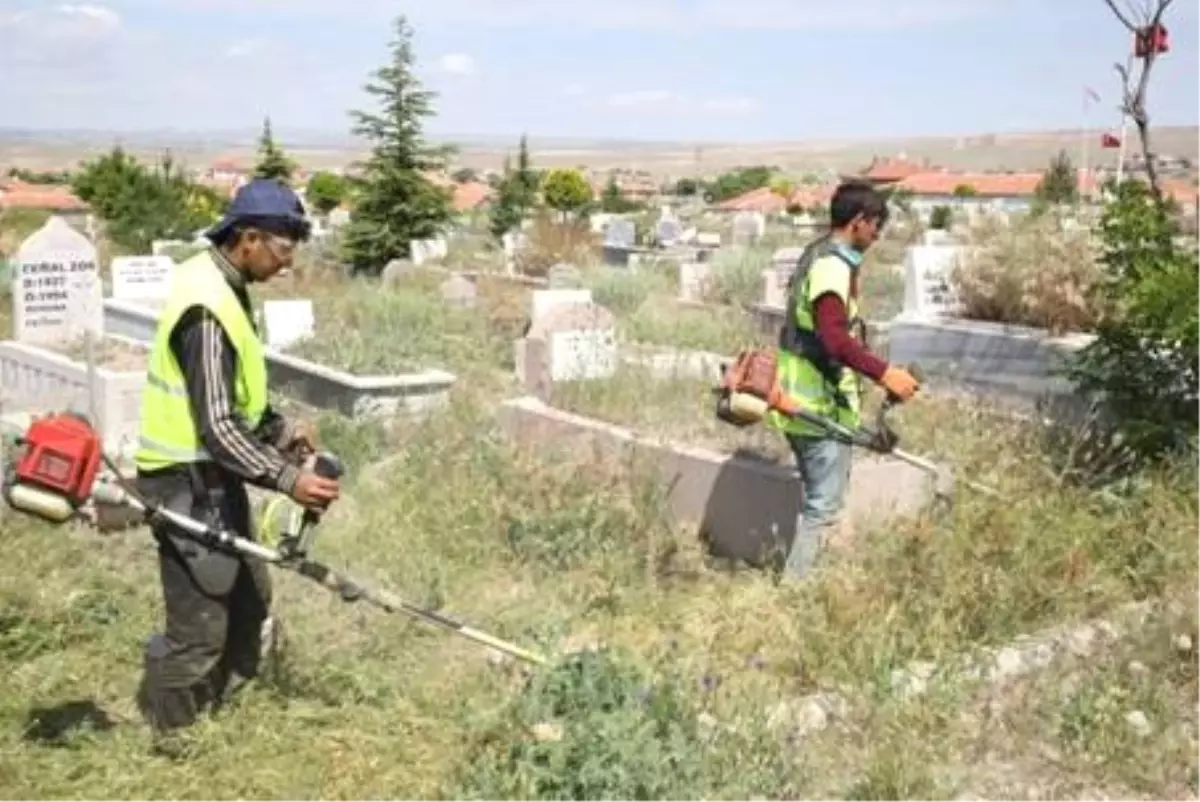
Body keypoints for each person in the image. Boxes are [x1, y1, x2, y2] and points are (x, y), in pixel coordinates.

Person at [133, 178, 340, 748]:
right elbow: (218, 427)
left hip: (213, 478)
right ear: (248, 238)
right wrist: (287, 480)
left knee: (250, 600)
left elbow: (235, 399)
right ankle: (173, 739)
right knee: (200, 626)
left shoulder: (225, 285)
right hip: (182, 482)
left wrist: (279, 433)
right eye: (281, 248)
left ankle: (222, 716)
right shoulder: (205, 309)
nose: (286, 261)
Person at [767, 180, 920, 581]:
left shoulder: (817, 253)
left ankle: (807, 582)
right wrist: (885, 373)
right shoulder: (832, 266)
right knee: (823, 507)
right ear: (858, 221)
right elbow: (834, 339)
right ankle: (794, 595)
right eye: (875, 225)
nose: (877, 234)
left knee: (820, 500)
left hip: (800, 397)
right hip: (815, 403)